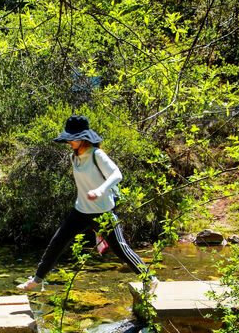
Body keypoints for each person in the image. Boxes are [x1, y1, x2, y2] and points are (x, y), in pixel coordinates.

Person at [16, 115, 160, 293]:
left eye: (72, 138)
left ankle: (150, 279)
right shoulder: (74, 157)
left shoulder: (96, 155)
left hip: (103, 212)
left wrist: (100, 190)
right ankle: (37, 280)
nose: (69, 141)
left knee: (121, 248)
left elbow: (117, 174)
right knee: (57, 243)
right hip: (80, 211)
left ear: (83, 138)